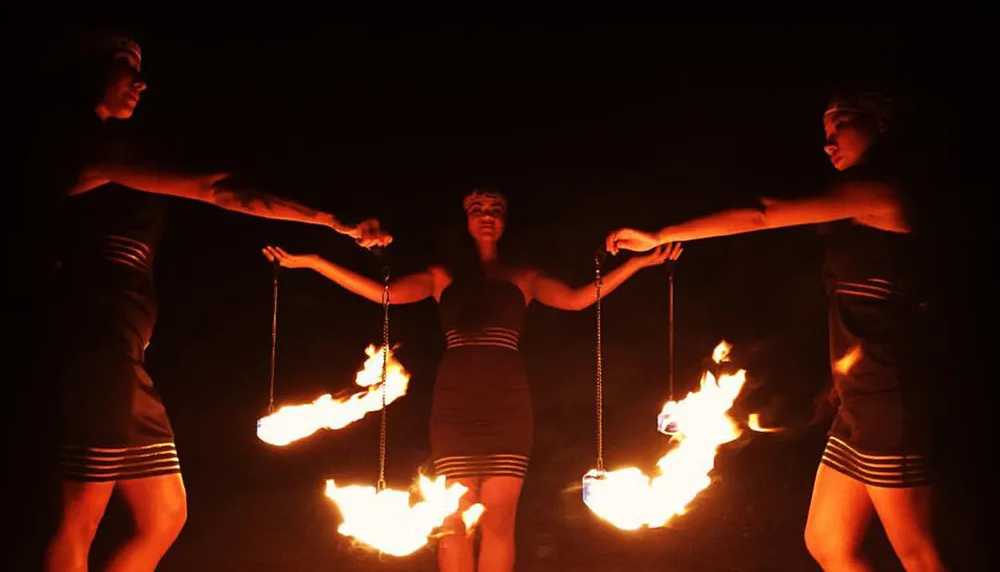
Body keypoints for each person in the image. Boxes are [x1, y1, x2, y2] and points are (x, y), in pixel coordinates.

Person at [40, 33, 391, 572]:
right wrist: (330, 221)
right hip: (96, 345)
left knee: (164, 516)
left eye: (142, 70)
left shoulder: (124, 158)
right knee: (78, 521)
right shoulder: (83, 148)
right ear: (88, 72)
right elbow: (217, 188)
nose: (140, 81)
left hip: (125, 354)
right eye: (124, 66)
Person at [606, 91, 948, 572]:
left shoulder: (884, 195)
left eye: (843, 124)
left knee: (918, 552)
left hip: (892, 400)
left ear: (883, 123)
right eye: (825, 132)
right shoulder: (854, 211)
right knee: (829, 542)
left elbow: (763, 212)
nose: (829, 142)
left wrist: (662, 234)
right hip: (859, 403)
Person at [263, 188, 682, 572]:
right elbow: (381, 293)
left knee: (499, 521)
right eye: (478, 208)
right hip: (454, 407)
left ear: (505, 221)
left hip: (508, 405)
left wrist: (639, 262)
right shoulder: (442, 276)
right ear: (464, 218)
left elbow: (577, 299)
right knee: (455, 520)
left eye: (496, 209)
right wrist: (314, 263)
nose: (487, 216)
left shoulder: (523, 276)